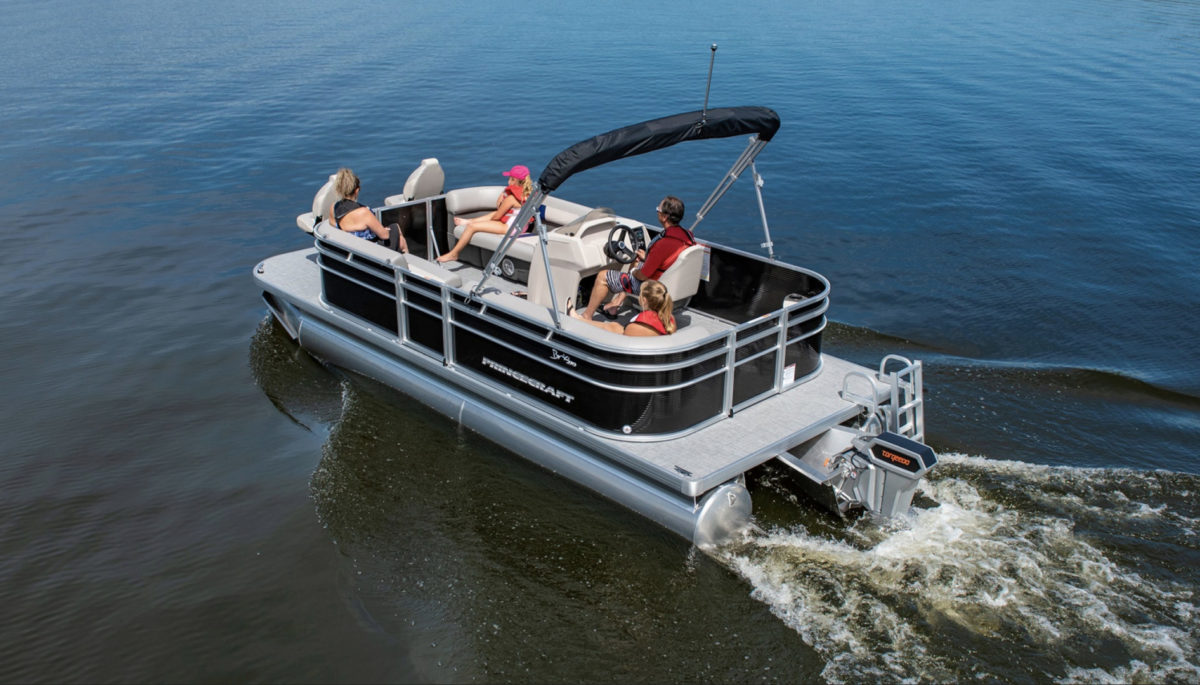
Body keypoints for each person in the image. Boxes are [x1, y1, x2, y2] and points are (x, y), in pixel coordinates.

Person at [578, 195, 696, 321]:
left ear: (665, 217)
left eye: (658, 210)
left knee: (603, 276)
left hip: (652, 286)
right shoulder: (688, 235)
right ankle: (616, 304)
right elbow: (669, 258)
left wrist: (634, 271)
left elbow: (643, 276)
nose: (657, 211)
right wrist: (648, 258)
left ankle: (587, 316)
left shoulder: (663, 243)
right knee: (635, 260)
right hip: (671, 280)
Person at [437, 165, 533, 263]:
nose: (508, 181)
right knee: (491, 215)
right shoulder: (527, 194)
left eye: (510, 178)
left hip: (510, 228)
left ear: (514, 180)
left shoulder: (511, 199)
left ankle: (454, 254)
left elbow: (497, 217)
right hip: (521, 227)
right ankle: (469, 221)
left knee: (472, 227)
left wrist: (500, 201)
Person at [327, 168, 408, 252]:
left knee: (398, 237)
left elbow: (334, 226)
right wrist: (385, 230)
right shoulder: (364, 212)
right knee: (398, 232)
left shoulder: (334, 207)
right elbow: (385, 236)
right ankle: (407, 258)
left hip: (349, 248)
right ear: (357, 190)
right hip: (368, 251)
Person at [569, 280, 676, 337]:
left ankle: (578, 320)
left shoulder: (636, 327)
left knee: (611, 327)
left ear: (644, 300)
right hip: (648, 345)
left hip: (629, 350)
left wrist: (618, 329)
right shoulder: (670, 320)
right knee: (614, 325)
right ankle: (580, 319)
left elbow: (625, 336)